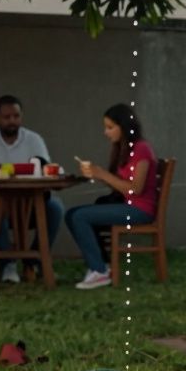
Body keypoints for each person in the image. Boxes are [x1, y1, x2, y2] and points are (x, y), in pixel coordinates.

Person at [0, 95, 63, 283]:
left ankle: (35, 259)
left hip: (29, 202)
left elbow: (44, 166)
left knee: (55, 208)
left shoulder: (33, 139)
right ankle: (7, 263)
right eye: (6, 117)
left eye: (16, 116)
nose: (12, 121)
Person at [65, 103, 158, 290]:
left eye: (110, 127)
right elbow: (120, 184)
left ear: (123, 127)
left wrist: (102, 174)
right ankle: (102, 266)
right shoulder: (123, 149)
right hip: (128, 205)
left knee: (79, 216)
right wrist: (95, 174)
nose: (105, 132)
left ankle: (99, 271)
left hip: (139, 210)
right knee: (72, 214)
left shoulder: (141, 149)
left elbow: (135, 189)